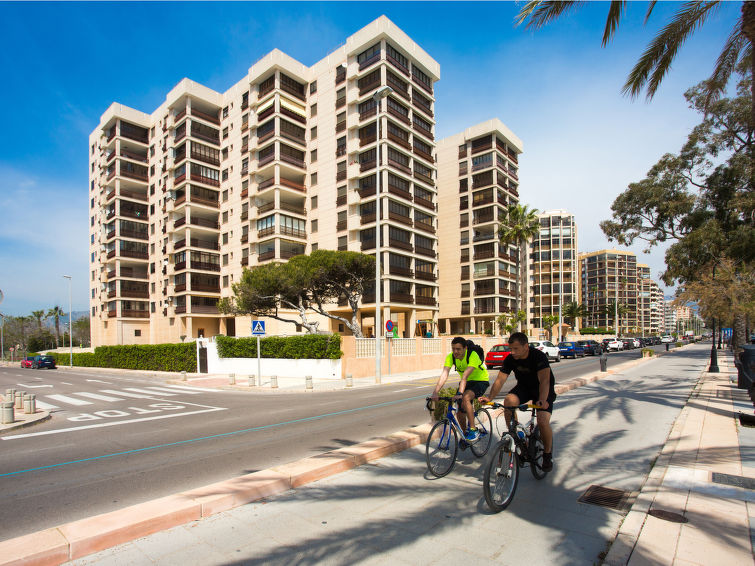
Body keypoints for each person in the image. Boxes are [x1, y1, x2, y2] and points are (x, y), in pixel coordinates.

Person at [480, 332, 556, 471]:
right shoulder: (510, 359)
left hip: (543, 389)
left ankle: (547, 454)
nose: (512, 352)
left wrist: (543, 400)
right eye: (511, 349)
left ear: (526, 346)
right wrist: (490, 398)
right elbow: (500, 380)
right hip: (524, 387)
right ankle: (515, 437)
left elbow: (545, 381)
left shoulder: (538, 357)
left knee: (543, 420)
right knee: (509, 400)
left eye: (516, 349)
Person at [431, 337, 489, 443]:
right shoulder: (451, 357)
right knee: (459, 409)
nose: (455, 352)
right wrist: (435, 392)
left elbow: (465, 376)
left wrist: (460, 393)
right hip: (466, 383)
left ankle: (473, 429)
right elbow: (444, 374)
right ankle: (465, 434)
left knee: (465, 397)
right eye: (453, 349)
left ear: (465, 348)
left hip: (480, 381)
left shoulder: (472, 355)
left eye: (458, 349)